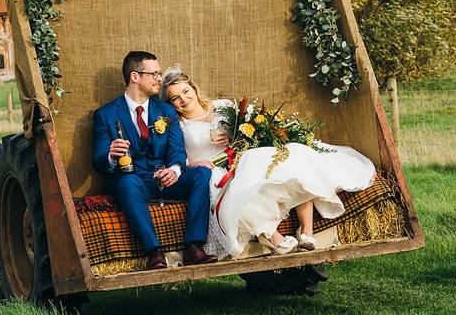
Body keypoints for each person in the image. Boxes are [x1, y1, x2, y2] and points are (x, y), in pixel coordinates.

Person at [160, 66, 377, 260]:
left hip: (244, 157)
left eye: (185, 91)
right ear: (171, 104)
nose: (183, 99)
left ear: (194, 88)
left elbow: (247, 129)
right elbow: (179, 157)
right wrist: (193, 165)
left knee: (293, 158)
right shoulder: (180, 126)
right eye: (175, 98)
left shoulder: (222, 106)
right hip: (216, 169)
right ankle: (274, 237)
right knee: (237, 191)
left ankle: (307, 232)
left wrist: (235, 138)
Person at [91, 51, 217, 269]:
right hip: (135, 181)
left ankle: (194, 247)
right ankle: (154, 252)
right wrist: (111, 155)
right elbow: (98, 161)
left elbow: (177, 150)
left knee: (202, 173)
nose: (159, 78)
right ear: (135, 77)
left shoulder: (166, 110)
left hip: (166, 180)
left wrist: (175, 170)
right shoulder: (106, 114)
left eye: (159, 73)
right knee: (128, 182)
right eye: (154, 74)